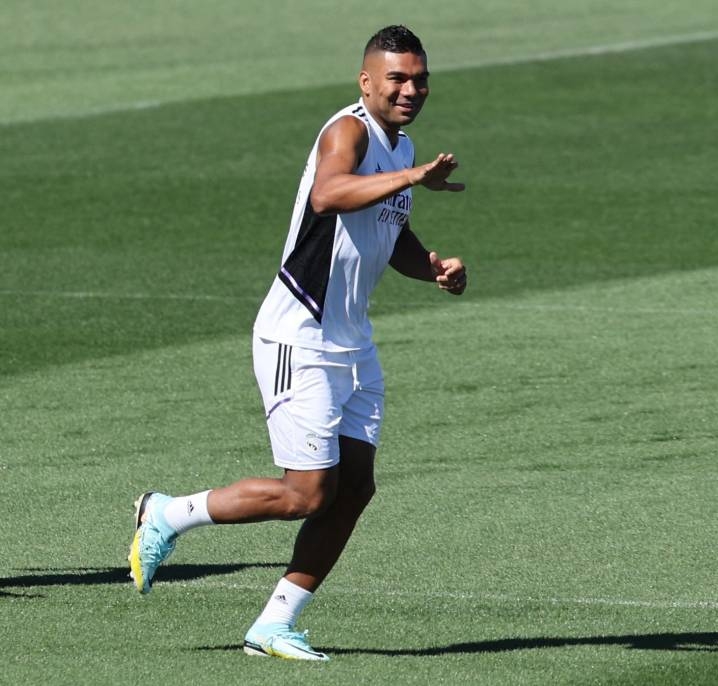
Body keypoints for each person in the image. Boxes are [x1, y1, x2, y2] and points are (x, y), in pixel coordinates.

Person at [128, 25, 467, 662]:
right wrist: (414, 176)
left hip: (353, 344)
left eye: (419, 78)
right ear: (366, 81)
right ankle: (168, 514)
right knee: (306, 493)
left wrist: (433, 267)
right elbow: (330, 193)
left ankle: (274, 624)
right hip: (299, 335)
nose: (410, 89)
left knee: (356, 487)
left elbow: (388, 233)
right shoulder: (350, 132)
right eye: (396, 78)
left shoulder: (400, 147)